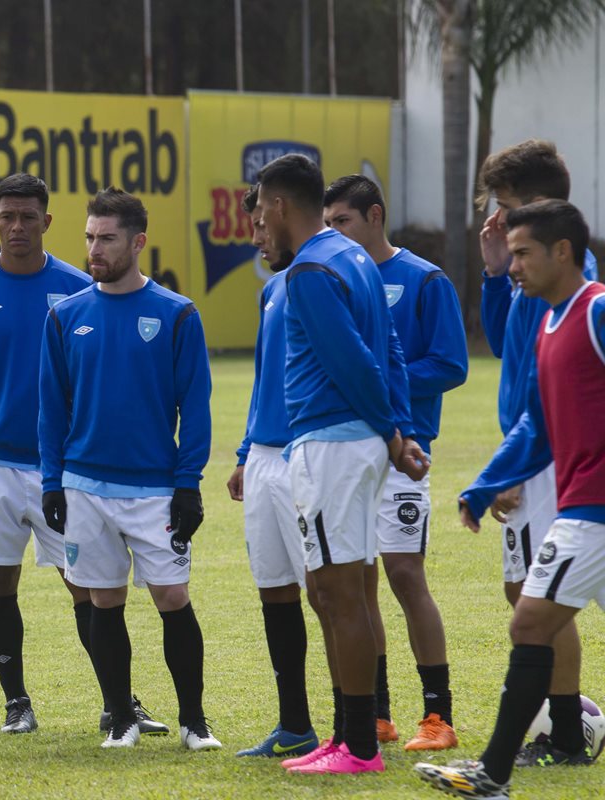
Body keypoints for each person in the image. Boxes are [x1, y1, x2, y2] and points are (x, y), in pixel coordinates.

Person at [0, 173, 169, 737]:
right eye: (7, 216)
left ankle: (121, 702)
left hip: (59, 465)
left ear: (47, 221)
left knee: (87, 585)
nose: (17, 226)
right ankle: (16, 701)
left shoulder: (74, 288)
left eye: (28, 216)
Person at [417, 200, 605, 798]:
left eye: (523, 253)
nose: (513, 265)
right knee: (530, 621)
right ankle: (496, 773)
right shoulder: (547, 323)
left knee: (528, 621)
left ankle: (491, 775)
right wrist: (484, 484)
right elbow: (537, 427)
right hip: (582, 507)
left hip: (595, 511)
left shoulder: (597, 310)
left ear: (562, 253)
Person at [256, 154, 427, 775]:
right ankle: (346, 734)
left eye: (258, 208)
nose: (256, 222)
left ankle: (357, 746)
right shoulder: (354, 256)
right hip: (351, 443)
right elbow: (393, 350)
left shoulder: (307, 271)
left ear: (277, 206)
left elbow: (354, 359)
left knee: (337, 591)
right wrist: (398, 430)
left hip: (330, 444)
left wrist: (390, 431)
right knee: (337, 590)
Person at [38, 187, 216, 751]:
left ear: (138, 242)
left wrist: (188, 486)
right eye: (89, 237)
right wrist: (51, 483)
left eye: (107, 238)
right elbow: (51, 409)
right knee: (103, 600)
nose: (95, 248)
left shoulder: (176, 314)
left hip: (155, 490)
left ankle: (194, 721)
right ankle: (121, 718)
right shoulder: (65, 317)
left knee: (172, 598)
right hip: (85, 487)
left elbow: (197, 407)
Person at [323, 174, 468, 751]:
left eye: (343, 222)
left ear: (375, 216)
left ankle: (438, 716)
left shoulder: (423, 279)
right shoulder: (332, 279)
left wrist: (385, 383)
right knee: (356, 586)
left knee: (405, 574)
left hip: (404, 453)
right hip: (347, 452)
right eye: (327, 222)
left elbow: (452, 364)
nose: (333, 233)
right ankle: (377, 714)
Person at [471, 139, 598, 768]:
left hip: (555, 461)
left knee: (537, 599)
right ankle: (566, 722)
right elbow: (504, 346)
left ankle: (568, 728)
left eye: (508, 205)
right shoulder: (531, 272)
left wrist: (516, 467)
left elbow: (551, 390)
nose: (498, 219)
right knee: (529, 593)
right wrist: (496, 270)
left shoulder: (577, 284)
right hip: (532, 450)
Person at [226, 186, 319, 759]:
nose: (256, 238)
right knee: (276, 592)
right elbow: (264, 378)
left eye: (262, 226)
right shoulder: (272, 291)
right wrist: (243, 453)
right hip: (263, 457)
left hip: (307, 453)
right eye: (252, 228)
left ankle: (362, 722)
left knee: (329, 593)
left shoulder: (319, 278)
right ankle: (295, 725)